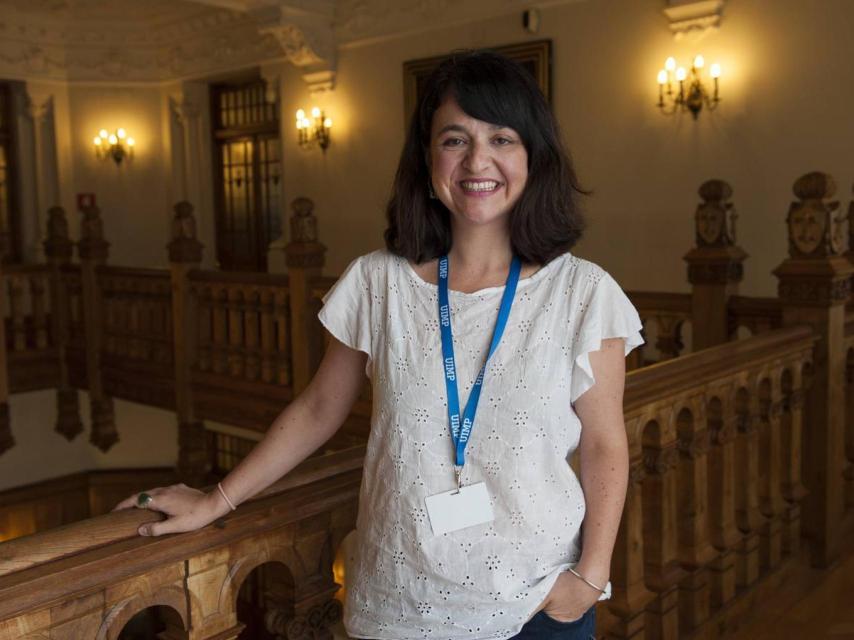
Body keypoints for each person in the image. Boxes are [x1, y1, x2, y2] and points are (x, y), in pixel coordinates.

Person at [115, 50, 644, 640]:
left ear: (533, 157)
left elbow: (603, 441)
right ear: (427, 157)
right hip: (399, 602)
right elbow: (319, 409)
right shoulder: (377, 282)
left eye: (502, 138)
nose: (478, 161)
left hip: (538, 603)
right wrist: (216, 501)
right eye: (455, 139)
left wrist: (590, 578)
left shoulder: (582, 293)